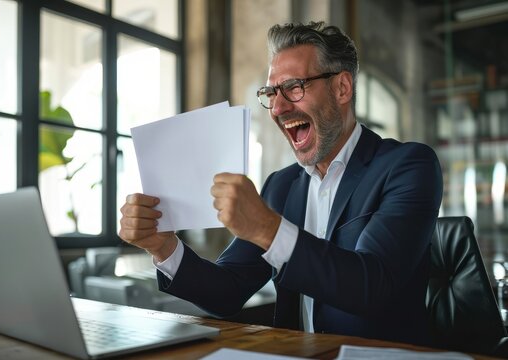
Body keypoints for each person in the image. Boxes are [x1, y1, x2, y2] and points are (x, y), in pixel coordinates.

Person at [119, 21, 443, 346]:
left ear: (342, 88)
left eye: (294, 87)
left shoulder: (409, 166)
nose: (278, 107)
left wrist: (268, 229)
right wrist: (164, 248)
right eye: (271, 92)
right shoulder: (281, 185)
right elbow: (228, 291)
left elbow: (371, 286)